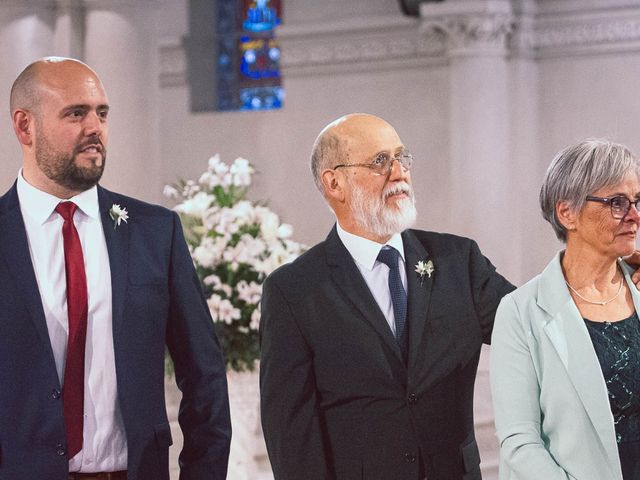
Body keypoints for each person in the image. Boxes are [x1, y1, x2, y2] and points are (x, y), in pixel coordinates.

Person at [0, 57, 231, 479]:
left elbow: (204, 376)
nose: (95, 128)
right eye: (75, 113)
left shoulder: (156, 232)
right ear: (24, 126)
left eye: (101, 113)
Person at [259, 113, 516, 480]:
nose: (399, 173)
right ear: (334, 183)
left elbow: (531, 327)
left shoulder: (459, 261)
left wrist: (598, 278)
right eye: (380, 161)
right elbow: (291, 432)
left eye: (402, 158)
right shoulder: (294, 290)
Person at [490, 139, 640, 479]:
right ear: (566, 213)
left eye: (637, 201)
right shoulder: (520, 311)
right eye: (617, 203)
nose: (634, 216)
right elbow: (519, 441)